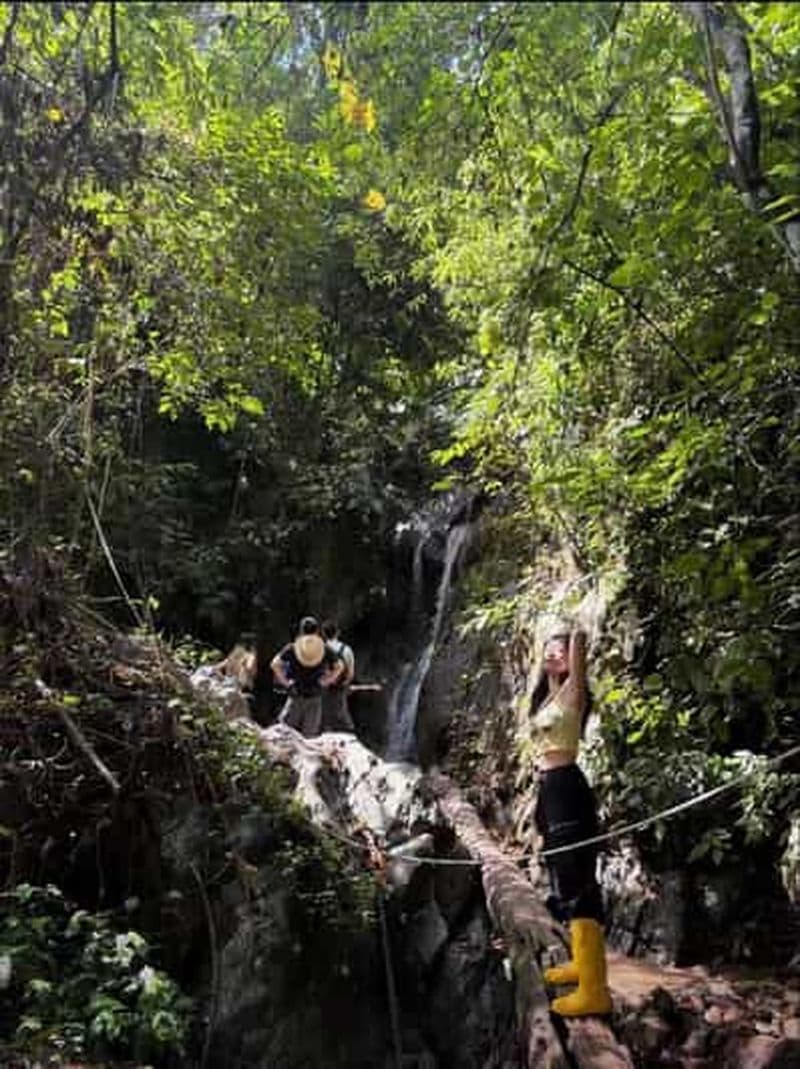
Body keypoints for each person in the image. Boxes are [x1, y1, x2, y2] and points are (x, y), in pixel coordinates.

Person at [531, 626, 612, 1017]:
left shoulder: (574, 695)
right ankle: (582, 966)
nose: (552, 655)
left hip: (566, 787)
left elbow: (580, 642)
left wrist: (574, 642)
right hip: (549, 789)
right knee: (563, 876)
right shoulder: (549, 697)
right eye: (547, 650)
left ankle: (595, 989)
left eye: (558, 652)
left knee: (578, 881)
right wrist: (550, 666)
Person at [270, 616, 343, 737]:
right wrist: (326, 681)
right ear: (317, 631)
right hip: (315, 695)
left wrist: (286, 682)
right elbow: (339, 666)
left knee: (284, 733)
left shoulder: (293, 647)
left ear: (301, 631)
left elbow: (275, 664)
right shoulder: (323, 648)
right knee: (309, 737)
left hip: (296, 693)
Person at [320, 619, 356, 732]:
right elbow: (350, 673)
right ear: (338, 633)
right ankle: (349, 737)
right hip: (340, 687)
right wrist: (345, 684)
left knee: (323, 716)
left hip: (323, 687)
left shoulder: (320, 649)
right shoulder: (346, 650)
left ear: (323, 633)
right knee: (341, 715)